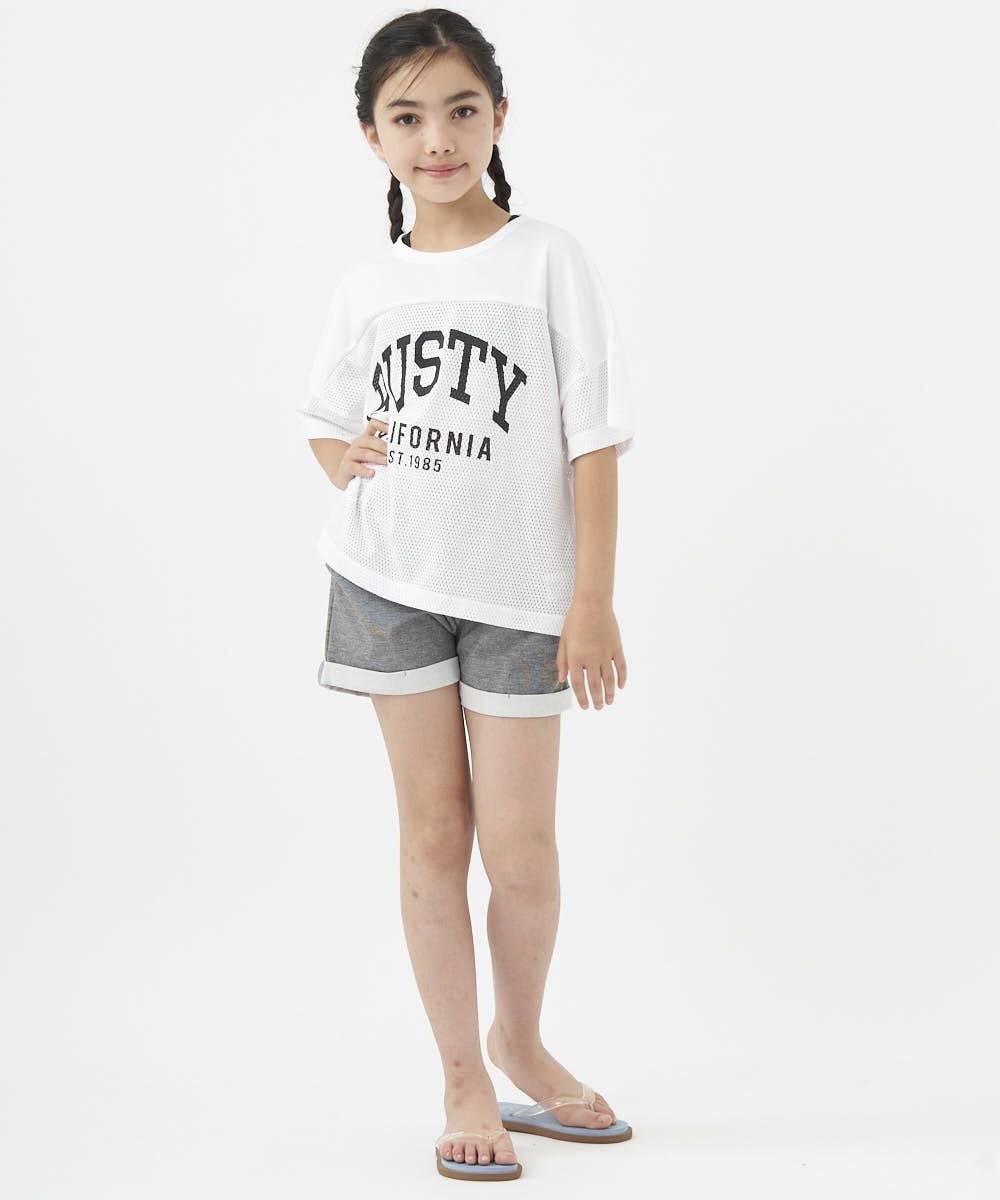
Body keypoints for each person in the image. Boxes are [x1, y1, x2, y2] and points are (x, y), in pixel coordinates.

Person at [297, 8, 637, 1183]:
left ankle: (520, 1042)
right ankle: (460, 1075)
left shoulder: (548, 260)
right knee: (434, 834)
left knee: (523, 850)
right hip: (389, 583)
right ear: (371, 135)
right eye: (407, 117)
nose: (436, 140)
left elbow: (593, 438)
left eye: (459, 111)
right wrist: (345, 461)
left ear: (498, 118)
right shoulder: (366, 283)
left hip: (523, 597)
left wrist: (591, 600)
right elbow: (325, 422)